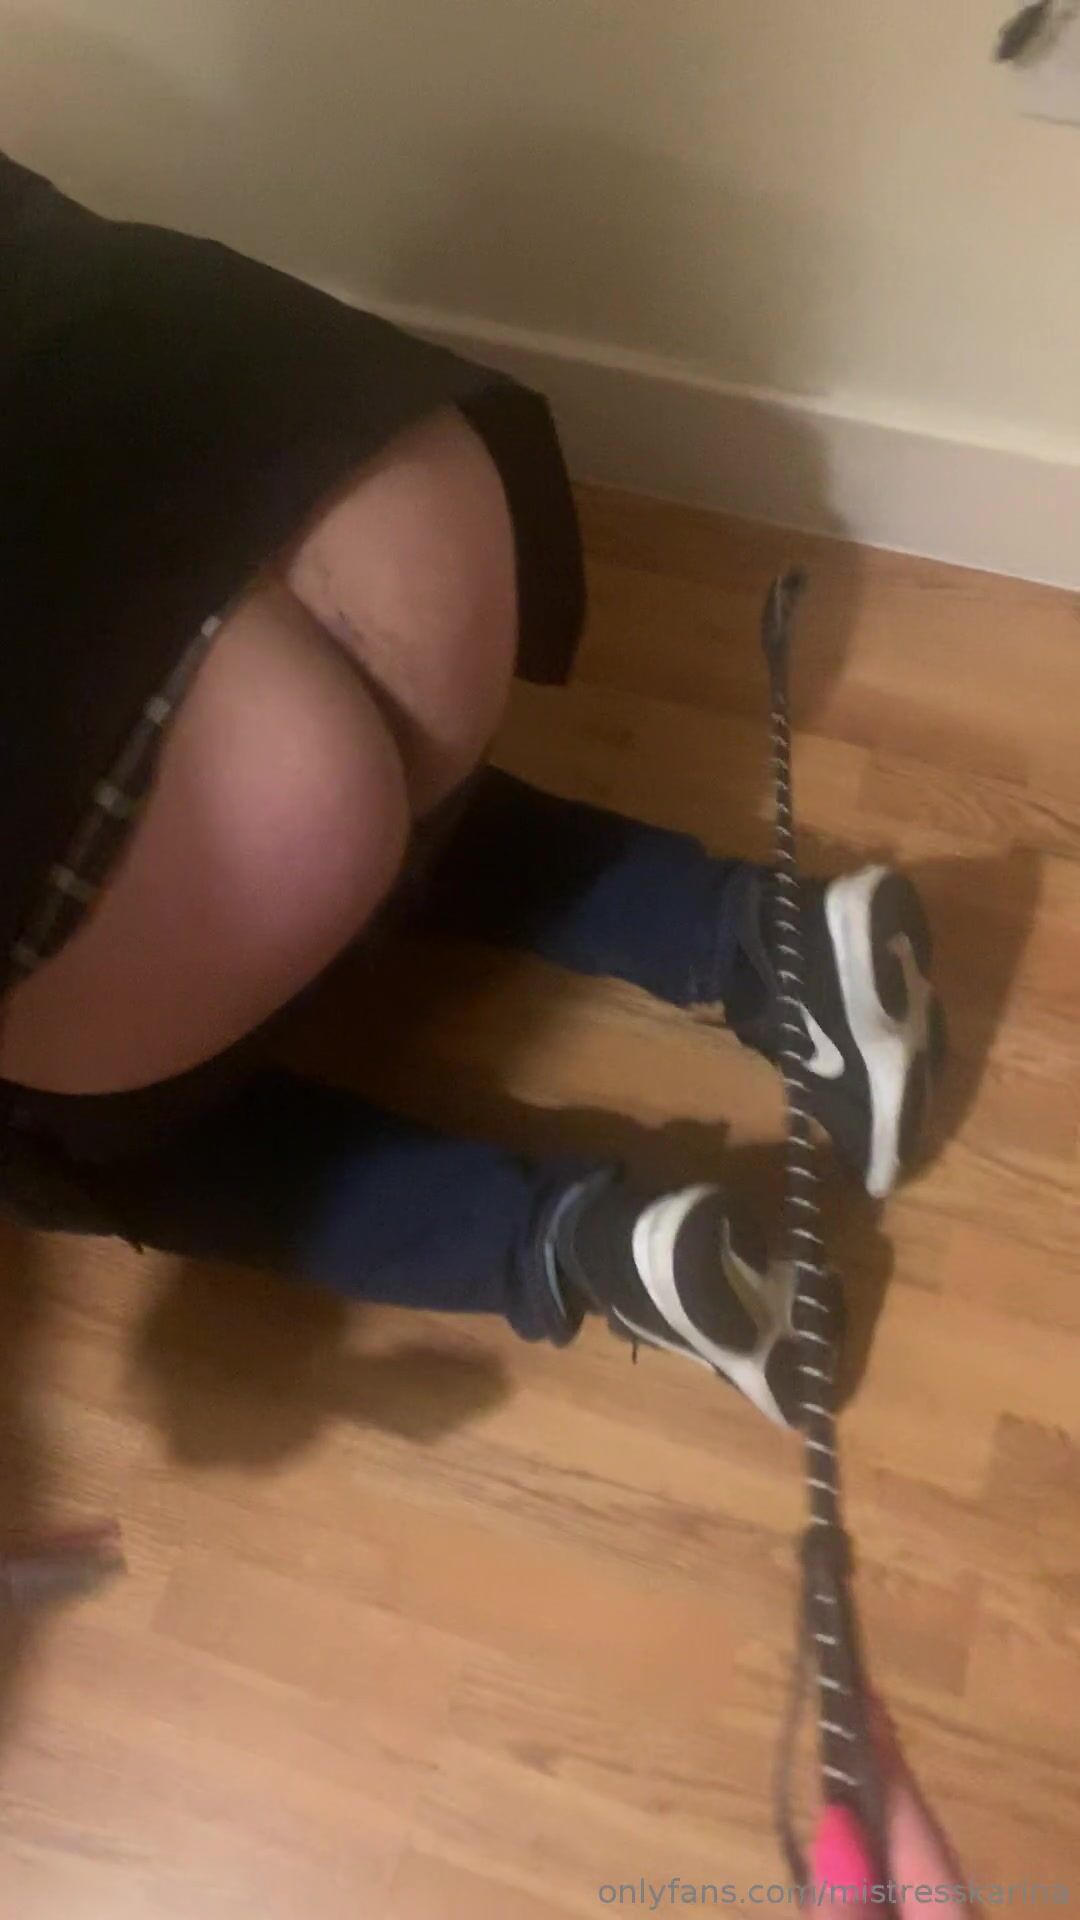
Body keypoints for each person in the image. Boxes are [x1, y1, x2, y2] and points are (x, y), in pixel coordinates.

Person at [1, 153, 945, 1432]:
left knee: (43, 1142)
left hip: (188, 814)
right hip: (361, 458)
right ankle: (768, 936)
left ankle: (580, 1241)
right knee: (216, 707)